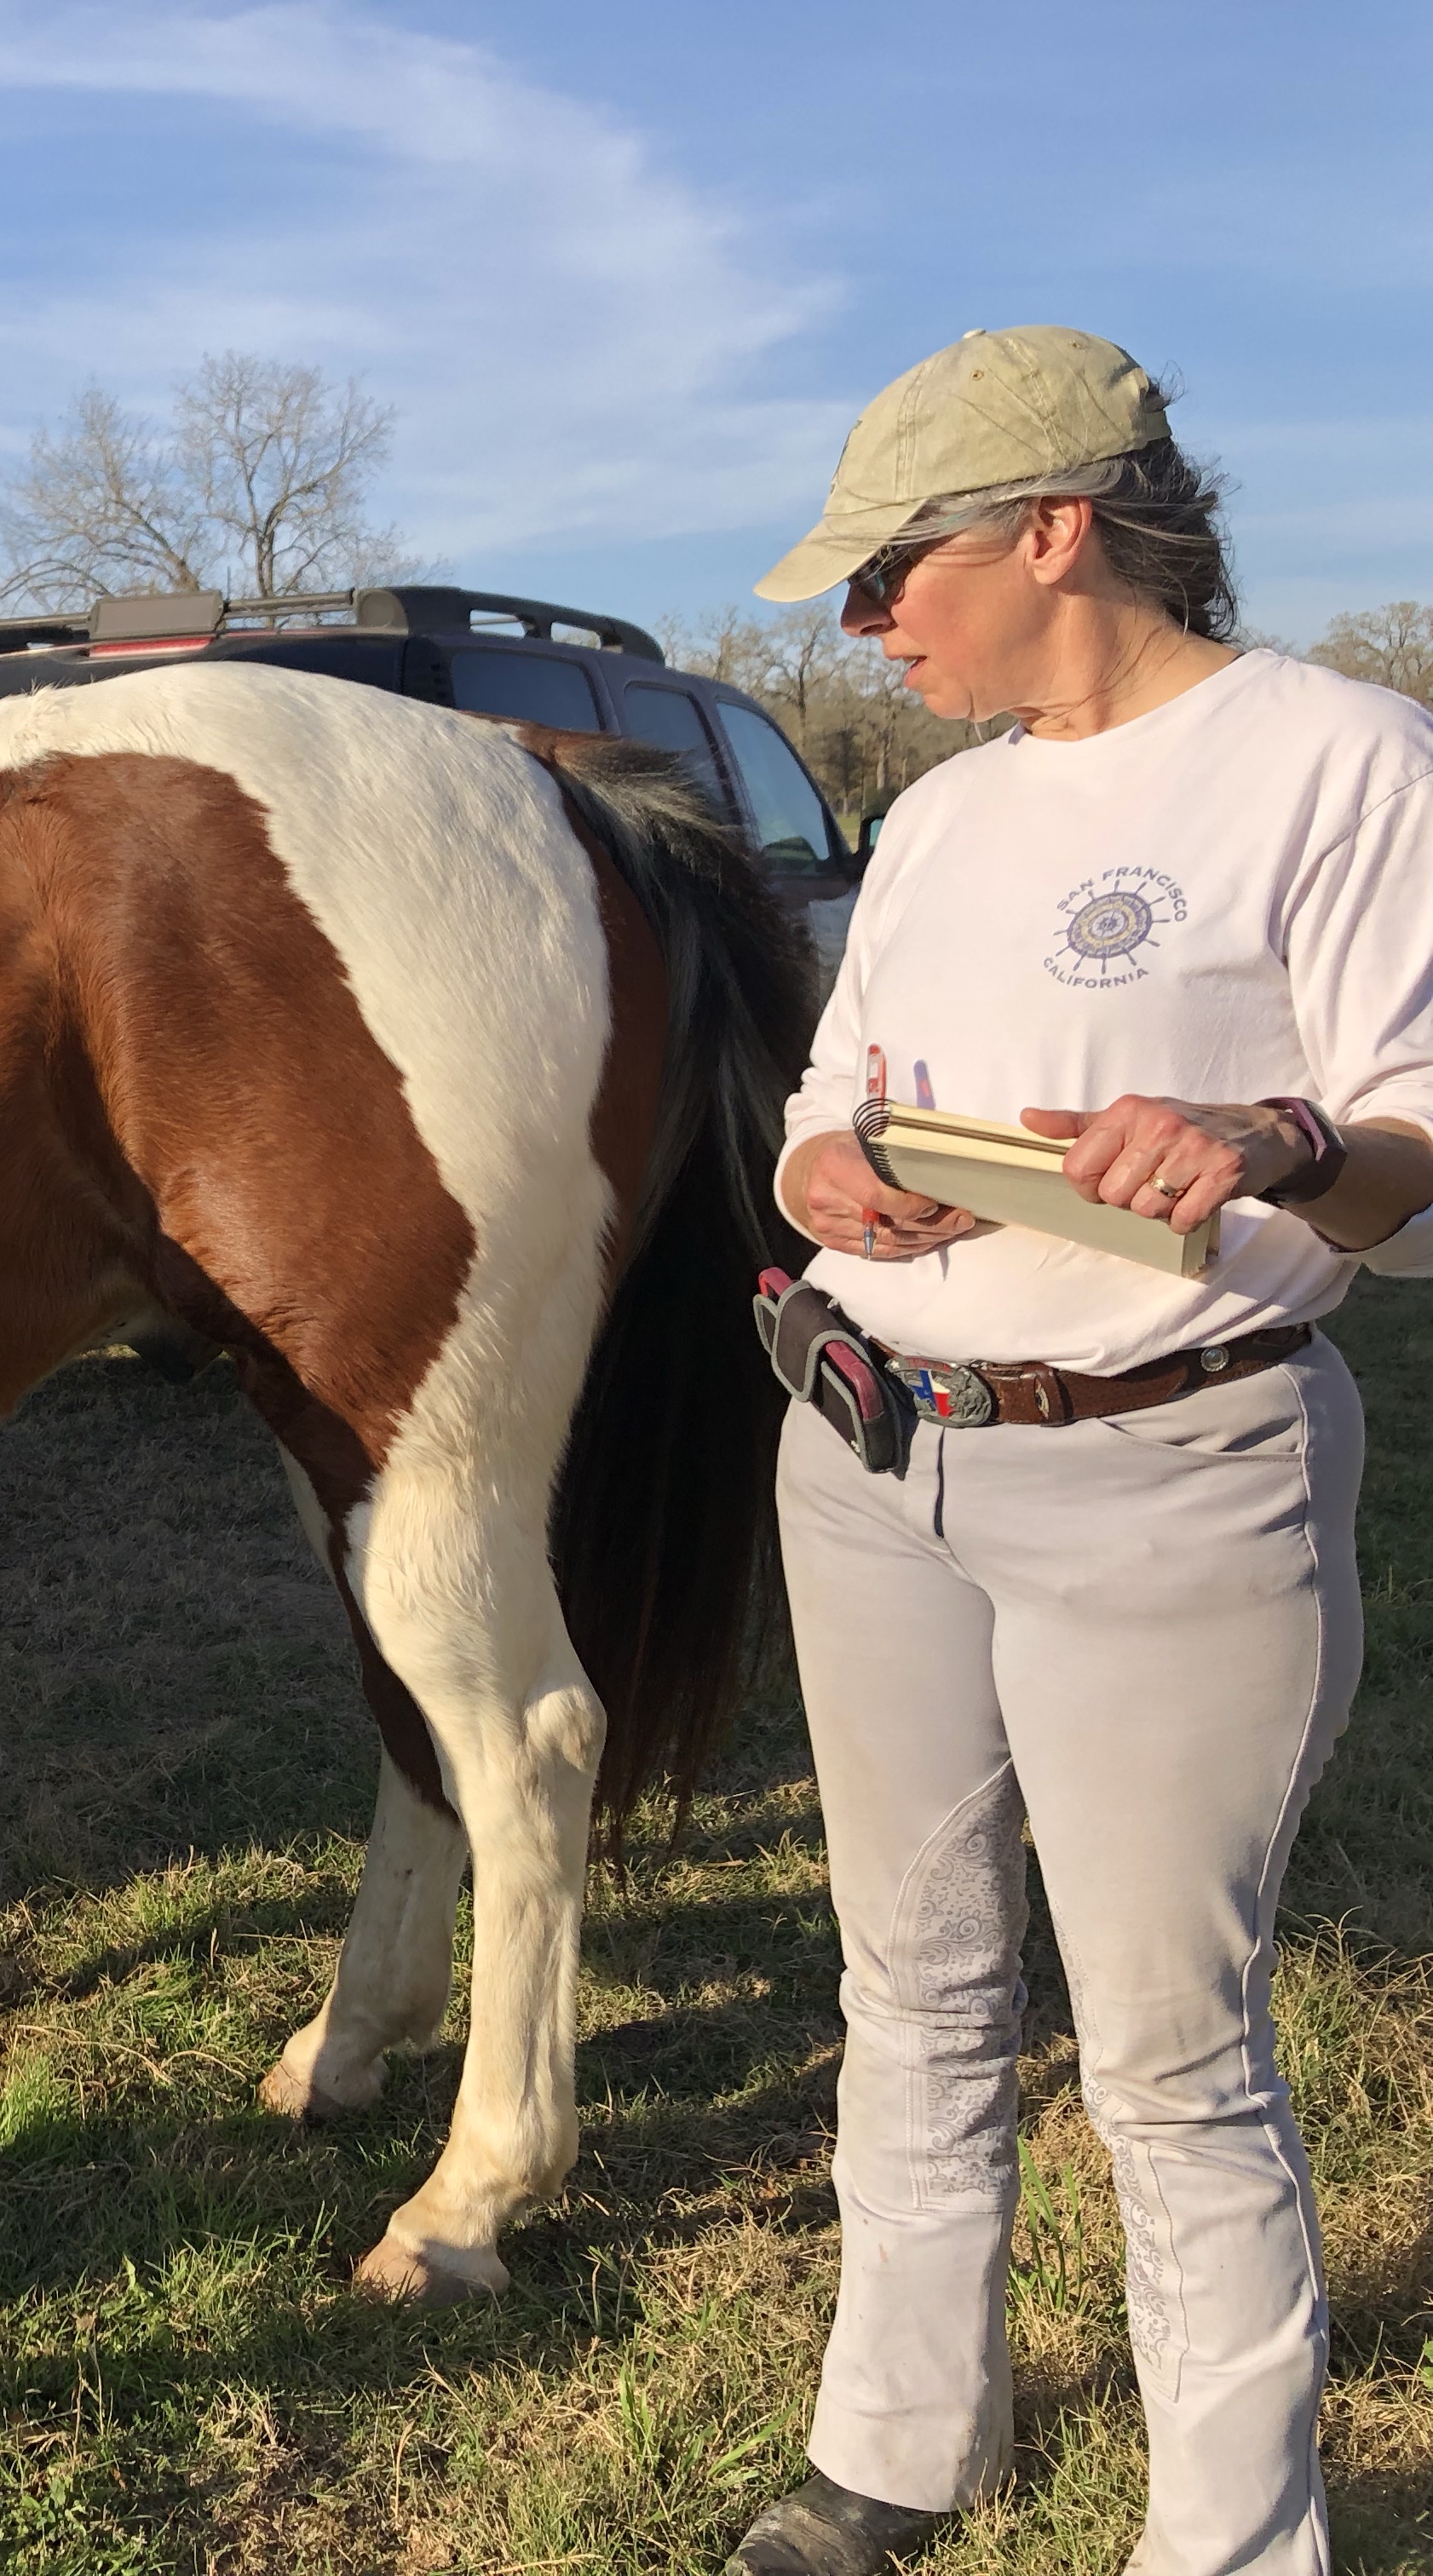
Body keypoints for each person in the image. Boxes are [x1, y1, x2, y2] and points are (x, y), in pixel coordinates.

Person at [728, 328, 1433, 2576]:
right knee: (913, 1982)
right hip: (874, 1463)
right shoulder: (944, 813)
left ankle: (1231, 2543)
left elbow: (1415, 1152)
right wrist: (830, 1178)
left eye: (889, 575)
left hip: (1172, 1477)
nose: (866, 623)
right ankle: (897, 2443)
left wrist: (1277, 1139)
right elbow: (831, 1098)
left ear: (1052, 530)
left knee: (1167, 2051)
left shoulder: (1340, 761)